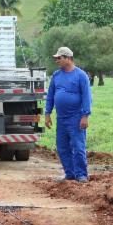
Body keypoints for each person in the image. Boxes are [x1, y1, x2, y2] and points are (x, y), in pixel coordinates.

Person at [44, 46, 92, 182]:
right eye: (56, 58)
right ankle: (70, 174)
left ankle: (81, 174)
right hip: (61, 118)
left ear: (68, 58)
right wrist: (47, 113)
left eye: (59, 58)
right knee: (62, 147)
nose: (57, 60)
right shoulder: (56, 75)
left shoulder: (81, 76)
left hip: (76, 118)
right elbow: (51, 95)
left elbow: (87, 97)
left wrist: (85, 115)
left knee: (78, 146)